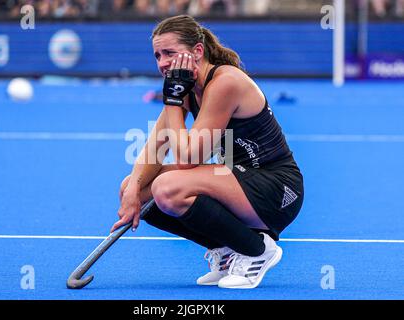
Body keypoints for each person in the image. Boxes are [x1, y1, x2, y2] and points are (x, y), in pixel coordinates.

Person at [111, 15, 304, 289]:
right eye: (157, 55)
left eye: (169, 53)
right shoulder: (186, 89)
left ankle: (258, 250)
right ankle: (227, 250)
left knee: (167, 188)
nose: (162, 62)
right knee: (134, 187)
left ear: (197, 51)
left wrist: (173, 100)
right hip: (236, 180)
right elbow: (155, 149)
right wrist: (132, 194)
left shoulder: (225, 82)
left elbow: (189, 159)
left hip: (276, 189)